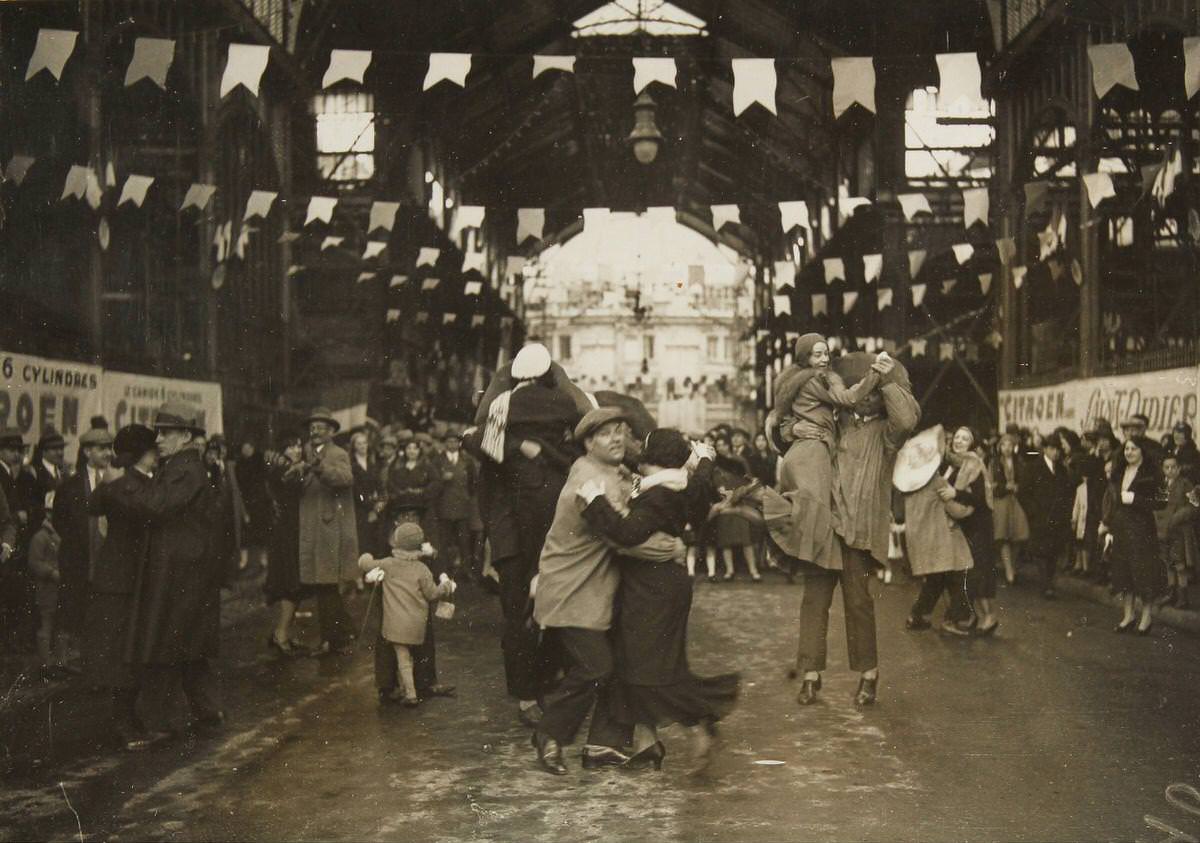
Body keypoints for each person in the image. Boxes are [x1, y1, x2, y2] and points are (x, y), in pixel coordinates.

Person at [530, 407, 686, 776]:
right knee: (594, 668)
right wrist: (673, 548)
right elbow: (622, 538)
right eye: (606, 434)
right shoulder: (588, 481)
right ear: (587, 443)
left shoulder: (614, 471)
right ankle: (549, 735)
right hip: (572, 591)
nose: (618, 438)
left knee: (617, 663)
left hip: (596, 591)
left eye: (622, 431)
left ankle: (603, 744)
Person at [577, 429, 736, 770]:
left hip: (651, 588)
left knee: (647, 666)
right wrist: (705, 458)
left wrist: (594, 501)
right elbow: (699, 477)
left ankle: (697, 721)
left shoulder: (659, 494)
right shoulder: (682, 486)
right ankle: (649, 743)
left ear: (652, 459)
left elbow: (627, 533)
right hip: (661, 585)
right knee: (644, 662)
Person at [463, 343, 585, 728]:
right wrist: (522, 447)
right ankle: (532, 689)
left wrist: (521, 445)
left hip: (525, 534)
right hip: (530, 533)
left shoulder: (498, 418)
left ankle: (533, 688)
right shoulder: (553, 414)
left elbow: (473, 438)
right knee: (530, 611)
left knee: (526, 611)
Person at [795, 352, 918, 707]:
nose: (864, 396)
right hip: (824, 525)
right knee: (814, 601)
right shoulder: (836, 421)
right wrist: (791, 429)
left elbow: (908, 419)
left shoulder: (887, 434)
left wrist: (887, 377)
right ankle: (809, 676)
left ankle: (868, 675)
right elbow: (790, 424)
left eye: (871, 391)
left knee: (858, 603)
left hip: (858, 530)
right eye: (860, 388)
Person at [123, 402, 226, 731]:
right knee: (187, 645)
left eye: (166, 433)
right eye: (159, 432)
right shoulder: (184, 465)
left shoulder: (184, 468)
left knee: (167, 642)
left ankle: (153, 720)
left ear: (185, 435)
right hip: (187, 570)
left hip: (180, 573)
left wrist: (126, 482)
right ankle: (207, 710)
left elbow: (157, 505)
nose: (159, 439)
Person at [762, 334, 886, 574]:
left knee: (810, 514)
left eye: (826, 353)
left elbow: (783, 417)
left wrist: (792, 429)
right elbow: (848, 398)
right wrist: (875, 373)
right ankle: (801, 557)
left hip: (802, 453)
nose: (823, 359)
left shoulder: (797, 383)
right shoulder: (814, 382)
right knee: (815, 515)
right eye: (816, 354)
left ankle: (797, 555)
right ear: (804, 357)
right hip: (812, 452)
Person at [85, 424, 163, 751]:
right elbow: (99, 504)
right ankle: (123, 722)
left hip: (134, 580)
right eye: (153, 449)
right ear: (143, 453)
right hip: (119, 580)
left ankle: (131, 718)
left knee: (134, 652)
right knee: (121, 653)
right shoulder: (125, 485)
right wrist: (115, 484)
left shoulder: (135, 483)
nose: (159, 453)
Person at [359, 522, 455, 707]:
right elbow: (432, 594)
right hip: (417, 625)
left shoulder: (387, 564)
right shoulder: (422, 569)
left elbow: (365, 564)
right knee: (415, 654)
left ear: (395, 542)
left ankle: (409, 693)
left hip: (394, 625)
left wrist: (366, 557)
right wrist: (446, 586)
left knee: (402, 659)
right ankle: (415, 687)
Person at [897, 426, 975, 636]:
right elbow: (956, 511)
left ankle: (917, 616)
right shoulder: (936, 482)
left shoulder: (910, 484)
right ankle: (956, 619)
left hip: (921, 539)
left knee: (936, 579)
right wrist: (971, 506)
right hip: (939, 538)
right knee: (958, 574)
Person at [297, 407, 359, 657]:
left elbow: (345, 478)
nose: (315, 432)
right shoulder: (305, 453)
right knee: (323, 586)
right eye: (312, 428)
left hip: (329, 529)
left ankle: (332, 640)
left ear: (332, 431)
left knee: (327, 585)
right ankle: (343, 633)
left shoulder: (338, 454)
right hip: (312, 529)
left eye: (321, 428)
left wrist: (320, 469)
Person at [54, 426, 116, 673]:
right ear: (87, 451)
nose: (108, 453)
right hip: (79, 559)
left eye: (109, 448)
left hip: (107, 559)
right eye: (102, 448)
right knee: (75, 605)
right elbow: (60, 520)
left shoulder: (116, 482)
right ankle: (70, 659)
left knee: (103, 610)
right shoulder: (70, 486)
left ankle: (100, 659)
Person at [1100, 437, 1166, 634]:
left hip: (1141, 530)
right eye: (1127, 449)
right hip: (1121, 528)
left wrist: (1136, 499)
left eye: (1134, 449)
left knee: (1143, 573)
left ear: (1142, 451)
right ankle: (1128, 616)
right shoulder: (1120, 472)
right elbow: (1113, 502)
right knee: (1123, 573)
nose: (1129, 452)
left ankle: (1146, 618)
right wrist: (1108, 526)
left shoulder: (1152, 474)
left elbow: (1162, 502)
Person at [945, 426, 998, 635]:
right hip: (965, 526)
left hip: (979, 526)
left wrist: (954, 492)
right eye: (956, 437)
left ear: (972, 444)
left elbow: (980, 500)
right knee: (970, 573)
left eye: (964, 438)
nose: (958, 441)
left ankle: (989, 617)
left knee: (979, 572)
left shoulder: (974, 464)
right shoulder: (954, 464)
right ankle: (977, 616)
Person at [264, 433, 310, 656]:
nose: (297, 450)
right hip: (286, 533)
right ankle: (281, 634)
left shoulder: (287, 468)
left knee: (295, 584)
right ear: (283, 450)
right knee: (289, 582)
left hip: (293, 530)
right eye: (291, 446)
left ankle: (282, 633)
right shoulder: (280, 470)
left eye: (298, 445)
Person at [1019, 434, 1074, 598]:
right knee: (1041, 551)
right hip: (1040, 517)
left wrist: (1065, 513)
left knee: (1053, 551)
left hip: (1057, 517)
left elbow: (1066, 493)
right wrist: (1032, 511)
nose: (1055, 452)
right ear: (1045, 449)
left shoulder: (1062, 470)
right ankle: (1046, 585)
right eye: (1052, 449)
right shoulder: (1033, 467)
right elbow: (1023, 493)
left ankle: (1048, 582)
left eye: (1058, 449)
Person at [0, 427, 34, 652]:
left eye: (18, 450)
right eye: (12, 450)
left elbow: (7, 518)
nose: (16, 454)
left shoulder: (17, 474)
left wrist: (6, 545)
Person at [710, 435, 761, 582]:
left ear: (728, 445)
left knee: (746, 540)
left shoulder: (739, 461)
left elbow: (748, 480)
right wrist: (722, 493)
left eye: (723, 444)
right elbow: (715, 482)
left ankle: (753, 571)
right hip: (725, 503)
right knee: (726, 539)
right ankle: (729, 570)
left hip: (740, 502)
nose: (720, 448)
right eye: (718, 445)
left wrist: (739, 492)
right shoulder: (716, 464)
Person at [1156, 454, 1196, 610]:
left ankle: (1183, 597)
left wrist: (1179, 516)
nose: (1170, 470)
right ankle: (1171, 593)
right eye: (1167, 467)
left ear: (1179, 468)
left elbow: (1195, 506)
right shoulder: (1162, 485)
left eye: (1173, 467)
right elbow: (1158, 506)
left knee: (1179, 563)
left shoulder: (1186, 484)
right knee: (1167, 562)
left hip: (1178, 530)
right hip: (1163, 531)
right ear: (1163, 469)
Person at [435, 433, 478, 577]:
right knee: (443, 541)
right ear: (444, 443)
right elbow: (432, 482)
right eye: (449, 441)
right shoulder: (437, 460)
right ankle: (443, 571)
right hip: (444, 507)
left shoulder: (467, 460)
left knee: (464, 541)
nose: (452, 444)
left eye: (455, 441)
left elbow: (473, 483)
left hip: (462, 507)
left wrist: (466, 498)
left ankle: (466, 571)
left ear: (459, 443)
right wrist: (442, 479)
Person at [27, 500, 62, 674]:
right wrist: (51, 573)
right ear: (47, 514)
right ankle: (45, 665)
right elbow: (34, 563)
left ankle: (59, 662)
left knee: (60, 624)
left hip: (59, 588)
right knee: (46, 624)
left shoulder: (60, 534)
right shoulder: (40, 537)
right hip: (46, 587)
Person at [991, 432, 1029, 586]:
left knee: (1020, 534)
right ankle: (1008, 570)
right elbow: (990, 483)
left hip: (1015, 500)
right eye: (1004, 445)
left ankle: (1011, 565)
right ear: (1000, 447)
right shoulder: (994, 462)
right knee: (1003, 536)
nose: (1007, 448)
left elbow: (1025, 480)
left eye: (1010, 445)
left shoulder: (1019, 461)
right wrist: (1004, 486)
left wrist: (1018, 486)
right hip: (1001, 501)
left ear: (1014, 447)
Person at [234, 441, 272, 573]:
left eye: (248, 447)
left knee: (263, 531)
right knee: (246, 533)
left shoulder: (260, 461)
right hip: (246, 502)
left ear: (253, 448)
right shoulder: (239, 464)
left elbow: (265, 479)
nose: (246, 450)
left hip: (261, 501)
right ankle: (244, 561)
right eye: (243, 448)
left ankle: (263, 559)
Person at [350, 429, 383, 556]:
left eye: (364, 443)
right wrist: (369, 507)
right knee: (363, 541)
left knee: (376, 541)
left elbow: (380, 486)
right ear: (354, 447)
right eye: (359, 443)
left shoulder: (373, 464)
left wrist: (377, 507)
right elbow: (356, 491)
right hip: (360, 508)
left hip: (375, 508)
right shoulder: (352, 466)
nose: (363, 446)